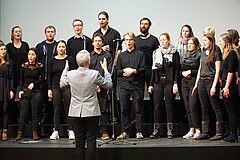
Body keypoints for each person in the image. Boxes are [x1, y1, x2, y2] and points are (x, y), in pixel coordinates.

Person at [60, 50, 112, 160]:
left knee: (79, 140)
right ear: (89, 61)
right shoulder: (94, 73)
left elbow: (62, 83)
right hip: (91, 111)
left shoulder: (70, 74)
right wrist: (106, 71)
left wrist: (65, 70)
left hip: (76, 111)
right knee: (91, 139)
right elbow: (108, 85)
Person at [192, 34, 224, 141]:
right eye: (203, 40)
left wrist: (214, 86)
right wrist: (196, 84)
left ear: (211, 41)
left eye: (206, 40)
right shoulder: (202, 52)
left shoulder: (216, 51)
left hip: (211, 81)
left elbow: (218, 70)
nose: (204, 42)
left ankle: (220, 132)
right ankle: (205, 132)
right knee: (204, 107)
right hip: (202, 81)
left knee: (215, 106)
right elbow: (200, 68)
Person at [148, 32, 180, 139]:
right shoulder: (156, 53)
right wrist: (151, 84)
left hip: (169, 81)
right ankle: (156, 130)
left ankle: (170, 130)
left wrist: (175, 83)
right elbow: (153, 69)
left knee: (169, 105)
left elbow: (176, 70)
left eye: (164, 40)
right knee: (157, 106)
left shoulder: (174, 53)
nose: (162, 41)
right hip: (158, 81)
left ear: (168, 40)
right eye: (160, 40)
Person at [93, 11, 122, 124]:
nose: (101, 21)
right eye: (100, 19)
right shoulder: (96, 33)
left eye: (103, 19)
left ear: (108, 20)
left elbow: (119, 50)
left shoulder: (115, 33)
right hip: (97, 68)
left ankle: (114, 117)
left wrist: (113, 65)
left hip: (111, 66)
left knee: (112, 93)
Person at [116, 32, 146, 140]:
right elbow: (117, 71)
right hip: (124, 85)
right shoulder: (121, 55)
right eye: (126, 40)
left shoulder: (140, 54)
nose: (128, 42)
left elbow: (143, 69)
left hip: (137, 85)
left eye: (130, 40)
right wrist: (124, 71)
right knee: (124, 109)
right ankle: (124, 131)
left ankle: (139, 131)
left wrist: (133, 71)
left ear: (134, 41)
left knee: (138, 109)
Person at [48, 40, 76, 140]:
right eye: (59, 47)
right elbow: (49, 76)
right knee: (57, 109)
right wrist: (49, 89)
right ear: (57, 48)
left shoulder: (70, 59)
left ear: (65, 48)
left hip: (67, 87)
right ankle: (55, 130)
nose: (61, 48)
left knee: (68, 108)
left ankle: (71, 130)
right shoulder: (52, 60)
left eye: (63, 47)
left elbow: (73, 75)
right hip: (55, 87)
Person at [15, 48, 44, 141]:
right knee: (23, 113)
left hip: (36, 92)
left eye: (32, 54)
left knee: (35, 114)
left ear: (36, 56)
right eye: (29, 54)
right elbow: (21, 79)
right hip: (25, 91)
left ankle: (35, 133)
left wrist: (34, 84)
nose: (30, 56)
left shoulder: (40, 66)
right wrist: (20, 90)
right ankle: (19, 133)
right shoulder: (24, 66)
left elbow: (42, 79)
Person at [135, 17, 159, 123]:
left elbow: (158, 56)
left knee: (152, 95)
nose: (143, 26)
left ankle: (154, 119)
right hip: (139, 70)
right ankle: (140, 119)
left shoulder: (154, 40)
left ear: (149, 26)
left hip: (150, 69)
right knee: (138, 95)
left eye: (145, 24)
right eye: (141, 24)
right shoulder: (136, 39)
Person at [89, 33, 113, 140]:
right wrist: (95, 84)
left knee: (103, 109)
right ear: (93, 42)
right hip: (91, 87)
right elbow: (87, 71)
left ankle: (103, 131)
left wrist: (101, 84)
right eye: (96, 41)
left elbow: (109, 71)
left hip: (103, 85)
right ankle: (92, 132)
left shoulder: (107, 55)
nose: (97, 43)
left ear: (102, 43)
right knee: (91, 109)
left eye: (99, 41)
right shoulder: (89, 55)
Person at [219, 33, 239, 142]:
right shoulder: (226, 54)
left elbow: (231, 71)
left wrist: (226, 86)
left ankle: (233, 134)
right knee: (229, 110)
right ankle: (231, 131)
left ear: (226, 42)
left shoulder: (231, 53)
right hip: (227, 84)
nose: (219, 43)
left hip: (229, 86)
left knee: (232, 111)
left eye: (221, 41)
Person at [36, 25, 58, 124]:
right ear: (45, 33)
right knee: (43, 100)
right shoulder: (40, 46)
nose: (50, 33)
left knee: (55, 100)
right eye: (48, 31)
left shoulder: (58, 46)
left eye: (52, 31)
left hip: (54, 78)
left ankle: (54, 120)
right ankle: (44, 119)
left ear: (55, 33)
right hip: (43, 77)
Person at [180, 37, 201, 139]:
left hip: (194, 82)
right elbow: (180, 69)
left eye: (191, 44)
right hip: (184, 82)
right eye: (188, 43)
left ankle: (198, 129)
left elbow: (201, 70)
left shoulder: (199, 55)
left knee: (193, 106)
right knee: (187, 107)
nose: (189, 45)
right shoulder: (184, 55)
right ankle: (191, 129)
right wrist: (182, 73)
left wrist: (191, 72)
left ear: (196, 45)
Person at [6, 26, 29, 96]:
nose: (18, 33)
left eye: (19, 31)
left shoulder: (25, 45)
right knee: (12, 94)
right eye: (16, 32)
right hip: (13, 73)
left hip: (24, 72)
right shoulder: (9, 46)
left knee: (24, 94)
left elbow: (29, 58)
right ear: (12, 34)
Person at [227, 29, 240, 141]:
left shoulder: (234, 52)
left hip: (233, 85)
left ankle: (234, 133)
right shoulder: (231, 52)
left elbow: (233, 69)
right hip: (233, 83)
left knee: (234, 110)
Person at [0, 43, 14, 141]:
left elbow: (12, 77)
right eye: (1, 49)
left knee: (5, 110)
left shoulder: (10, 62)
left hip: (6, 86)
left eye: (5, 49)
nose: (3, 51)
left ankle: (5, 131)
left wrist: (11, 90)